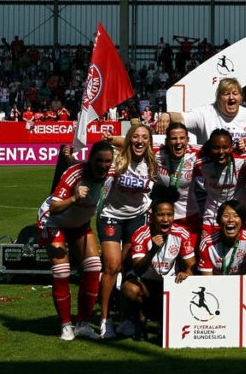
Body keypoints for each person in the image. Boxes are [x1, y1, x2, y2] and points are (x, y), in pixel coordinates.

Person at [37, 141, 115, 341]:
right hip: (53, 220)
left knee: (94, 266)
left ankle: (83, 325)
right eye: (99, 160)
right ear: (90, 160)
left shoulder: (111, 172)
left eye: (108, 161)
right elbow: (53, 207)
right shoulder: (75, 174)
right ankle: (65, 325)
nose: (103, 165)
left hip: (79, 222)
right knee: (62, 270)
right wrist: (73, 198)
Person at [98, 124, 156, 339]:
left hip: (137, 218)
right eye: (135, 137)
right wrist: (113, 140)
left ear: (149, 141)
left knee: (128, 269)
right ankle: (105, 321)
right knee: (111, 267)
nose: (140, 141)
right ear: (129, 139)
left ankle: (125, 320)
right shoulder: (117, 159)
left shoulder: (153, 161)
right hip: (111, 216)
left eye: (145, 138)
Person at [119, 185, 195, 341]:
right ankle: (137, 319)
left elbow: (191, 267)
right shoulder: (141, 234)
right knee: (129, 288)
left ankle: (163, 322)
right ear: (152, 216)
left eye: (170, 215)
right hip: (145, 283)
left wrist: (186, 274)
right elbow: (138, 270)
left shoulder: (181, 234)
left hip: (168, 284)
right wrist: (153, 251)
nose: (166, 219)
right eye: (161, 215)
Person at [157, 78, 246, 156]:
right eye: (226, 94)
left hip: (243, 182)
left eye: (235, 93)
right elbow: (180, 117)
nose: (231, 97)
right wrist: (167, 115)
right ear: (218, 97)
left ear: (241, 98)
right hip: (209, 180)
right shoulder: (205, 113)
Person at [194, 128, 246, 234]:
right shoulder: (201, 165)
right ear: (210, 149)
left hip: (239, 216)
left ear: (232, 147)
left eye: (225, 147)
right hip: (212, 217)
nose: (221, 152)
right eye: (216, 148)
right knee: (206, 250)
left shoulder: (243, 161)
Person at [153, 122, 201, 240]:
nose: (178, 142)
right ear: (167, 141)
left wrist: (241, 145)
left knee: (189, 257)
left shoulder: (197, 152)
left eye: (182, 138)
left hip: (188, 215)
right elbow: (131, 143)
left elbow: (220, 146)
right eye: (174, 138)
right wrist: (111, 139)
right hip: (162, 216)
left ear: (187, 140)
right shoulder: (157, 151)